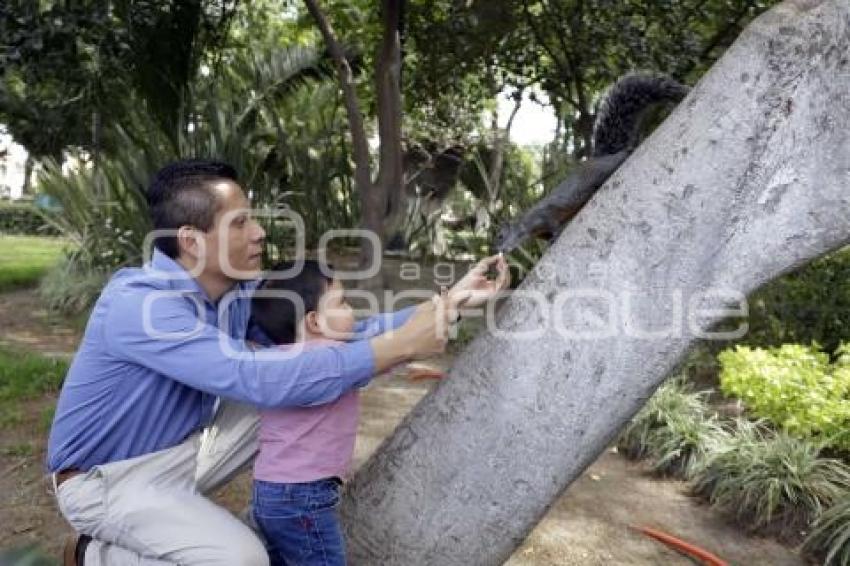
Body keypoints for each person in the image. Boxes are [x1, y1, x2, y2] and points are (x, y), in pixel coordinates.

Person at [47, 158, 509, 566]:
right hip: (105, 482)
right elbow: (254, 379)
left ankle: (285, 509)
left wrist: (450, 303)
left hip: (183, 456)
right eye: (241, 222)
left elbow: (330, 334)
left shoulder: (237, 293)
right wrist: (400, 347)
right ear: (192, 240)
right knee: (241, 558)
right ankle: (96, 555)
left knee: (299, 363)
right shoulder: (140, 306)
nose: (259, 232)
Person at [250, 260, 398, 565]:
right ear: (315, 321)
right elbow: (390, 350)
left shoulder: (275, 360)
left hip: (270, 493)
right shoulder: (333, 362)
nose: (351, 311)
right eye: (342, 302)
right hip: (304, 497)